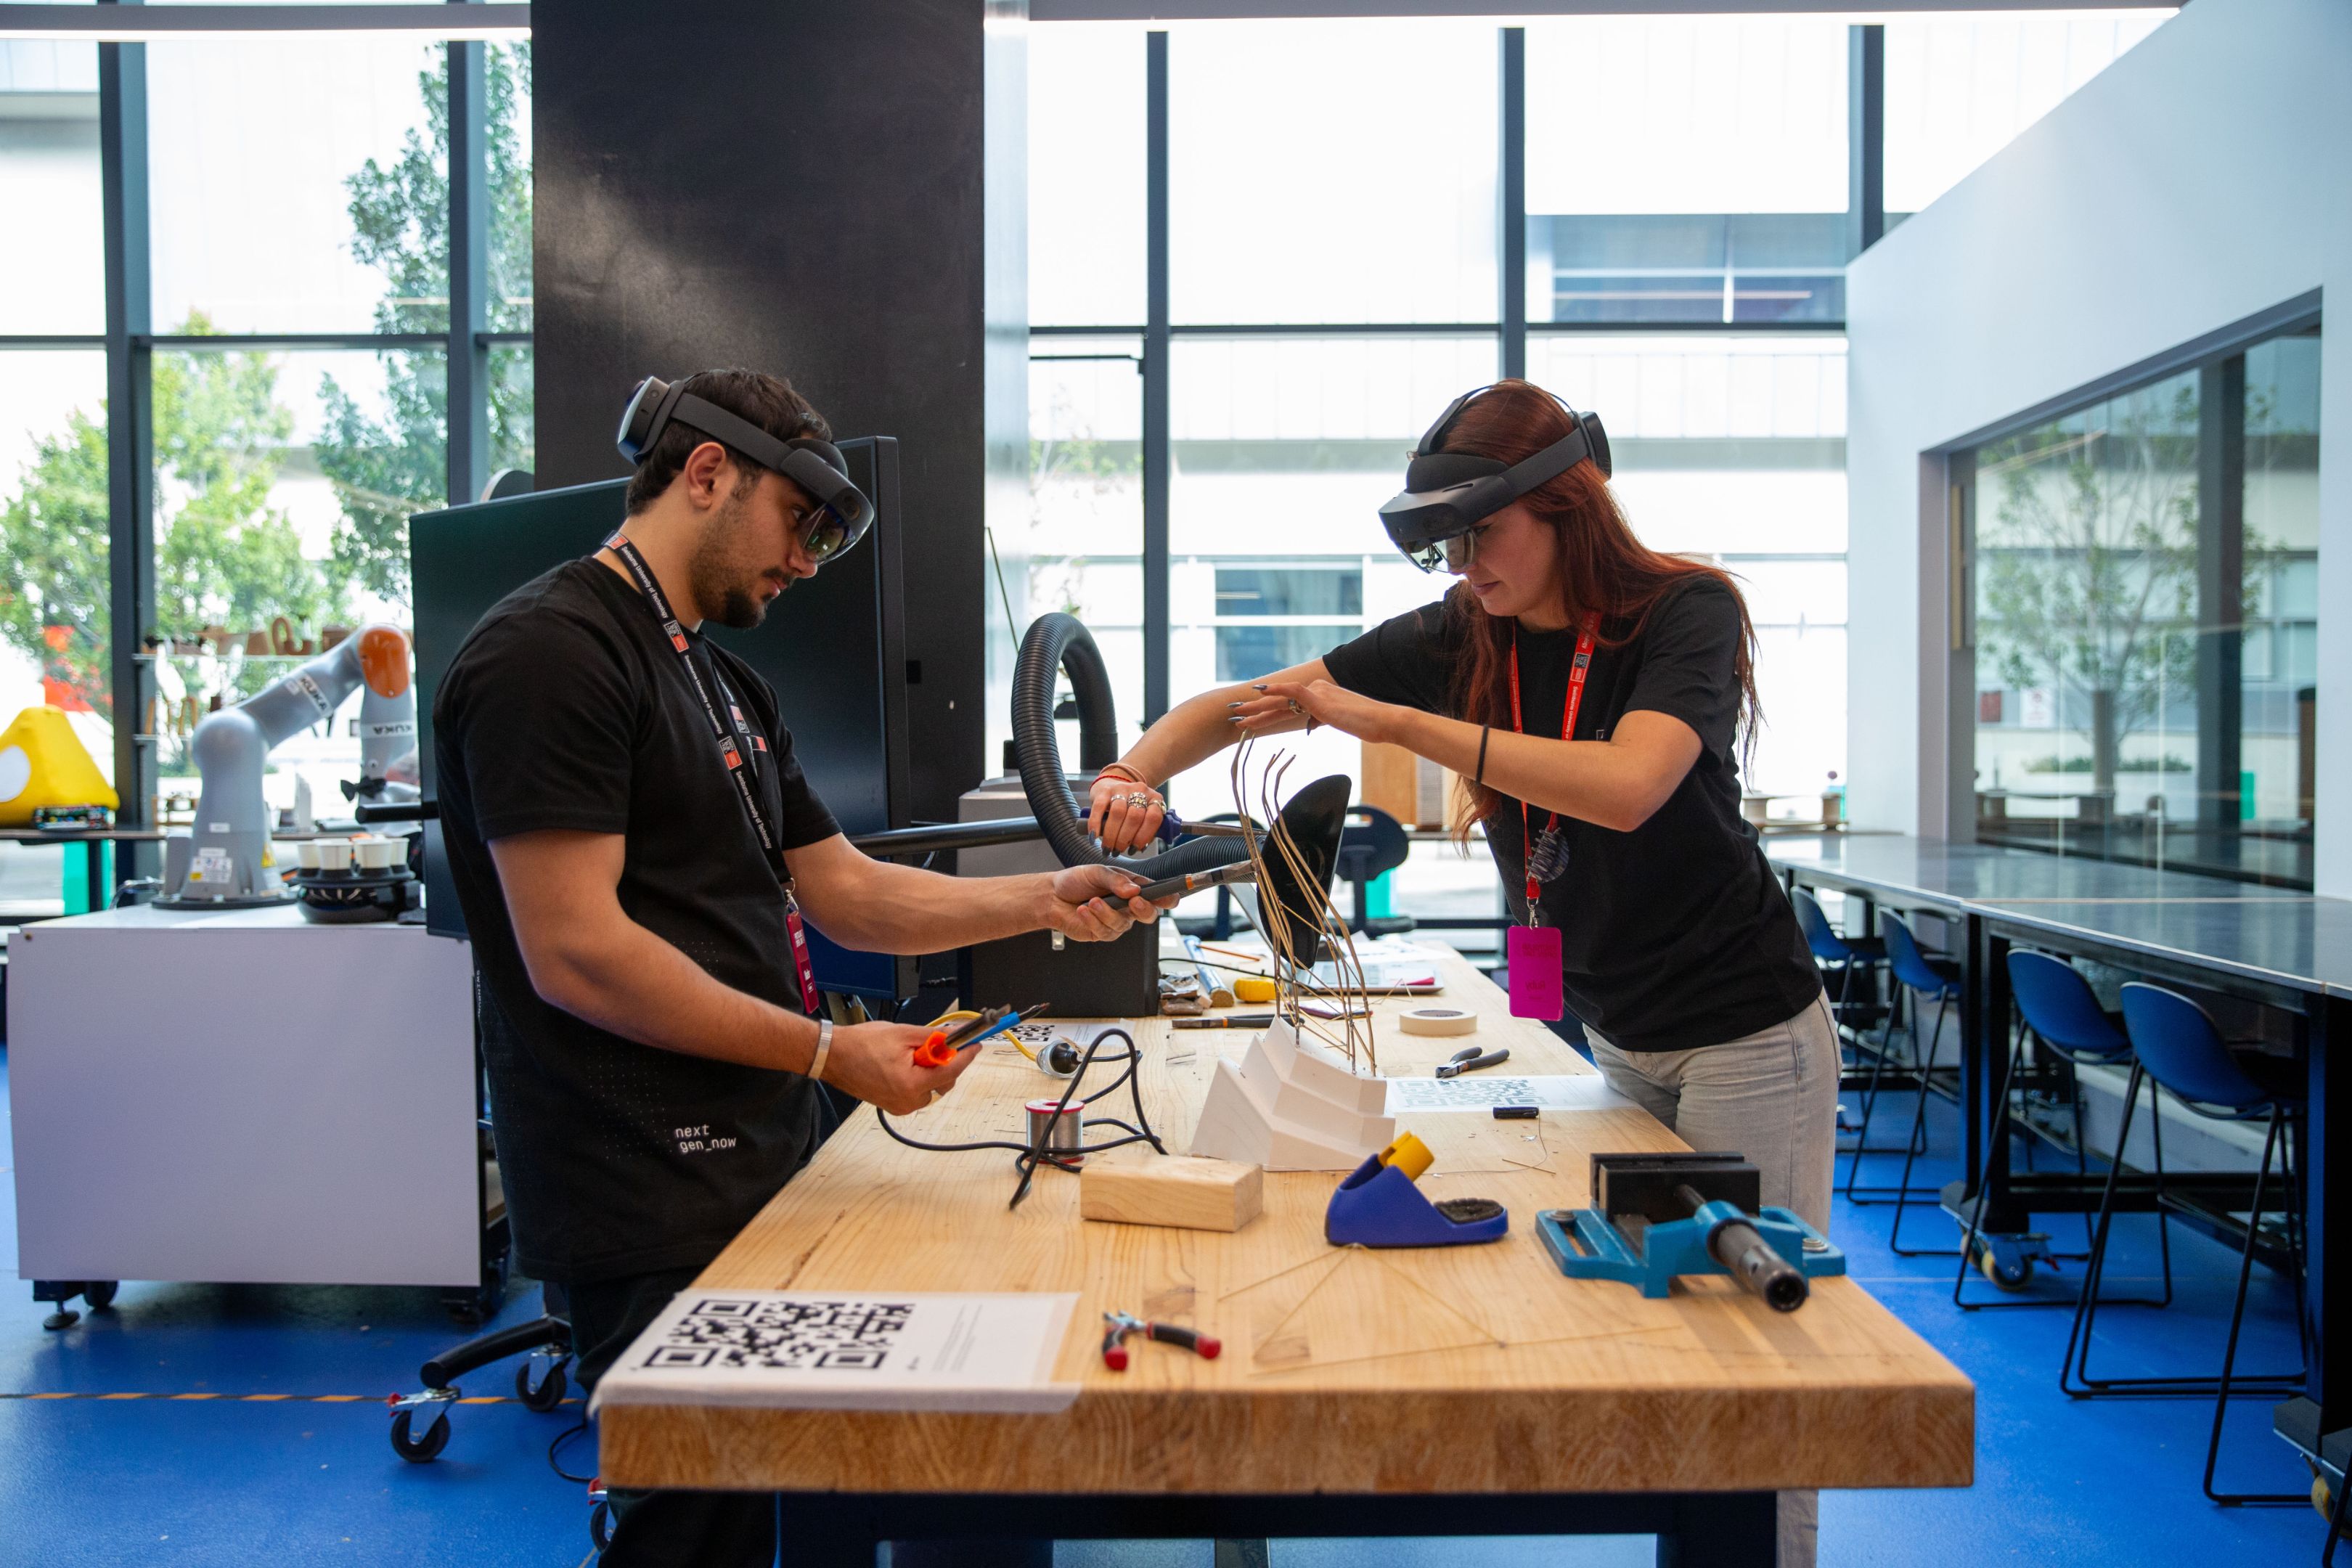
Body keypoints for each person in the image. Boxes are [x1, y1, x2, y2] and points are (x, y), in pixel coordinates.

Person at [1084, 379, 1834, 1567]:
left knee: (1754, 1346)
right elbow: (1244, 709)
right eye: (1447, 542)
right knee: (1651, 1315)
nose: (1462, 563)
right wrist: (1129, 775)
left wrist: (1394, 725)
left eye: (1481, 534)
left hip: (1746, 1028)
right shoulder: (1464, 630)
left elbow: (1630, 788)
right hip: (1618, 1031)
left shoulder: (1687, 612)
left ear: (1565, 506)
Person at [434, 368, 1167, 1568]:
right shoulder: (552, 655)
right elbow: (576, 953)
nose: (810, 561)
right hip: (640, 1180)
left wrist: (1047, 894)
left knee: (815, 1502)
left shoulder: (721, 679)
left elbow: (848, 890)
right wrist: (829, 1050)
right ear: (707, 472)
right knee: (699, 1531)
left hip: (760, 1154)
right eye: (800, 522)